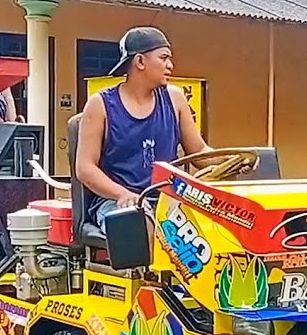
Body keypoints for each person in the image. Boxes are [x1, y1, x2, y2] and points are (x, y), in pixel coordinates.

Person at [75, 26, 211, 233]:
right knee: (140, 226)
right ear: (140, 61)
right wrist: (122, 194)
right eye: (164, 58)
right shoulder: (100, 104)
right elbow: (85, 168)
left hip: (168, 199)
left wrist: (234, 160)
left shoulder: (175, 98)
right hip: (117, 202)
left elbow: (199, 152)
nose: (170, 65)